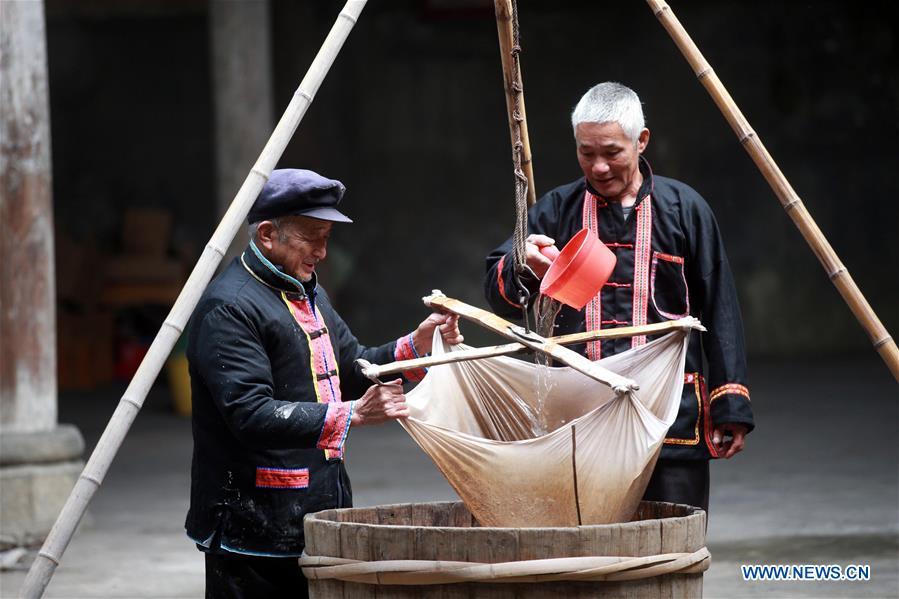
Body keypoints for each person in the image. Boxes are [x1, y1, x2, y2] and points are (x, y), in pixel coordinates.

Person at [185, 168, 462, 598]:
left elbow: (351, 368)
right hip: (252, 526)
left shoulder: (305, 290)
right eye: (311, 237)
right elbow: (250, 413)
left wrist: (417, 346)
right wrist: (354, 413)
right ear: (267, 235)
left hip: (313, 510)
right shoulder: (230, 308)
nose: (322, 251)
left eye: (327, 238)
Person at [485, 82, 754, 513]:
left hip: (671, 418)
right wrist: (525, 265)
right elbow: (501, 296)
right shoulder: (555, 211)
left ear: (641, 141)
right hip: (580, 418)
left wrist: (730, 404)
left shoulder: (685, 209)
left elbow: (720, 307)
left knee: (673, 535)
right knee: (588, 538)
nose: (599, 166)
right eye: (586, 152)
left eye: (612, 152)